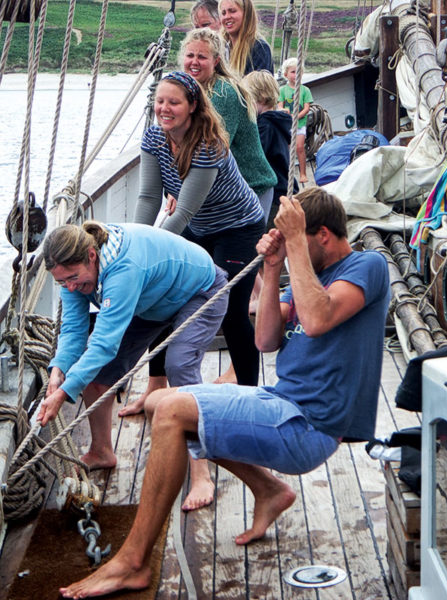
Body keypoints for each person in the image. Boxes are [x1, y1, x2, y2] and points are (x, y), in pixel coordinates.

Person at [58, 187, 390, 600]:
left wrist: (293, 253)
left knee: (174, 409)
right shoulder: (306, 277)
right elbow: (266, 339)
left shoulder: (367, 267)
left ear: (322, 235)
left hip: (310, 426)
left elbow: (319, 318)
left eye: (295, 239)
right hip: (281, 403)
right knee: (162, 402)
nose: (290, 250)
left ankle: (132, 563)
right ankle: (268, 489)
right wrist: (271, 268)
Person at [122, 72, 265, 481]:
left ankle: (248, 401)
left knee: (233, 314)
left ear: (193, 107)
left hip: (239, 227)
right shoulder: (154, 138)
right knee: (170, 299)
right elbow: (150, 197)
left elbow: (181, 211)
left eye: (174, 103)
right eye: (159, 102)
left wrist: (147, 250)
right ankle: (159, 385)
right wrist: (137, 241)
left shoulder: (207, 145)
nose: (164, 110)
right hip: (200, 228)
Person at [37, 221, 229, 483]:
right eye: (61, 281)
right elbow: (73, 331)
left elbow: (105, 343)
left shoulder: (123, 269)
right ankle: (101, 451)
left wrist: (63, 393)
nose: (69, 287)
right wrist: (58, 370)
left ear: (91, 256)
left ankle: (201, 470)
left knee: (179, 365)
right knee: (98, 373)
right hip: (152, 301)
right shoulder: (72, 278)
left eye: (73, 278)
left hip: (199, 289)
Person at [181, 27, 276, 221]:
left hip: (251, 190)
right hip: (221, 193)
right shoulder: (190, 92)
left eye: (202, 57)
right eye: (190, 55)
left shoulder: (223, 93)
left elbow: (211, 150)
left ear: (216, 61)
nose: (194, 62)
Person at [242, 69, 298, 230]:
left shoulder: (264, 125)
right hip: (285, 189)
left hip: (275, 196)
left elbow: (255, 158)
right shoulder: (278, 121)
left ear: (260, 98)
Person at [277, 57, 313, 184]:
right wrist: (283, 112)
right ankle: (287, 173)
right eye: (293, 72)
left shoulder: (305, 90)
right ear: (286, 74)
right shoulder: (282, 90)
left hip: (300, 124)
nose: (296, 74)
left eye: (299, 71)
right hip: (287, 125)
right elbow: (280, 105)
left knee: (299, 148)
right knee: (286, 149)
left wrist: (296, 116)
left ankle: (303, 173)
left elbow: (307, 108)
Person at [219, 0, 273, 76]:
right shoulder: (220, 47)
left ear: (246, 14)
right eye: (223, 13)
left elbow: (259, 86)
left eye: (232, 11)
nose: (227, 17)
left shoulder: (259, 48)